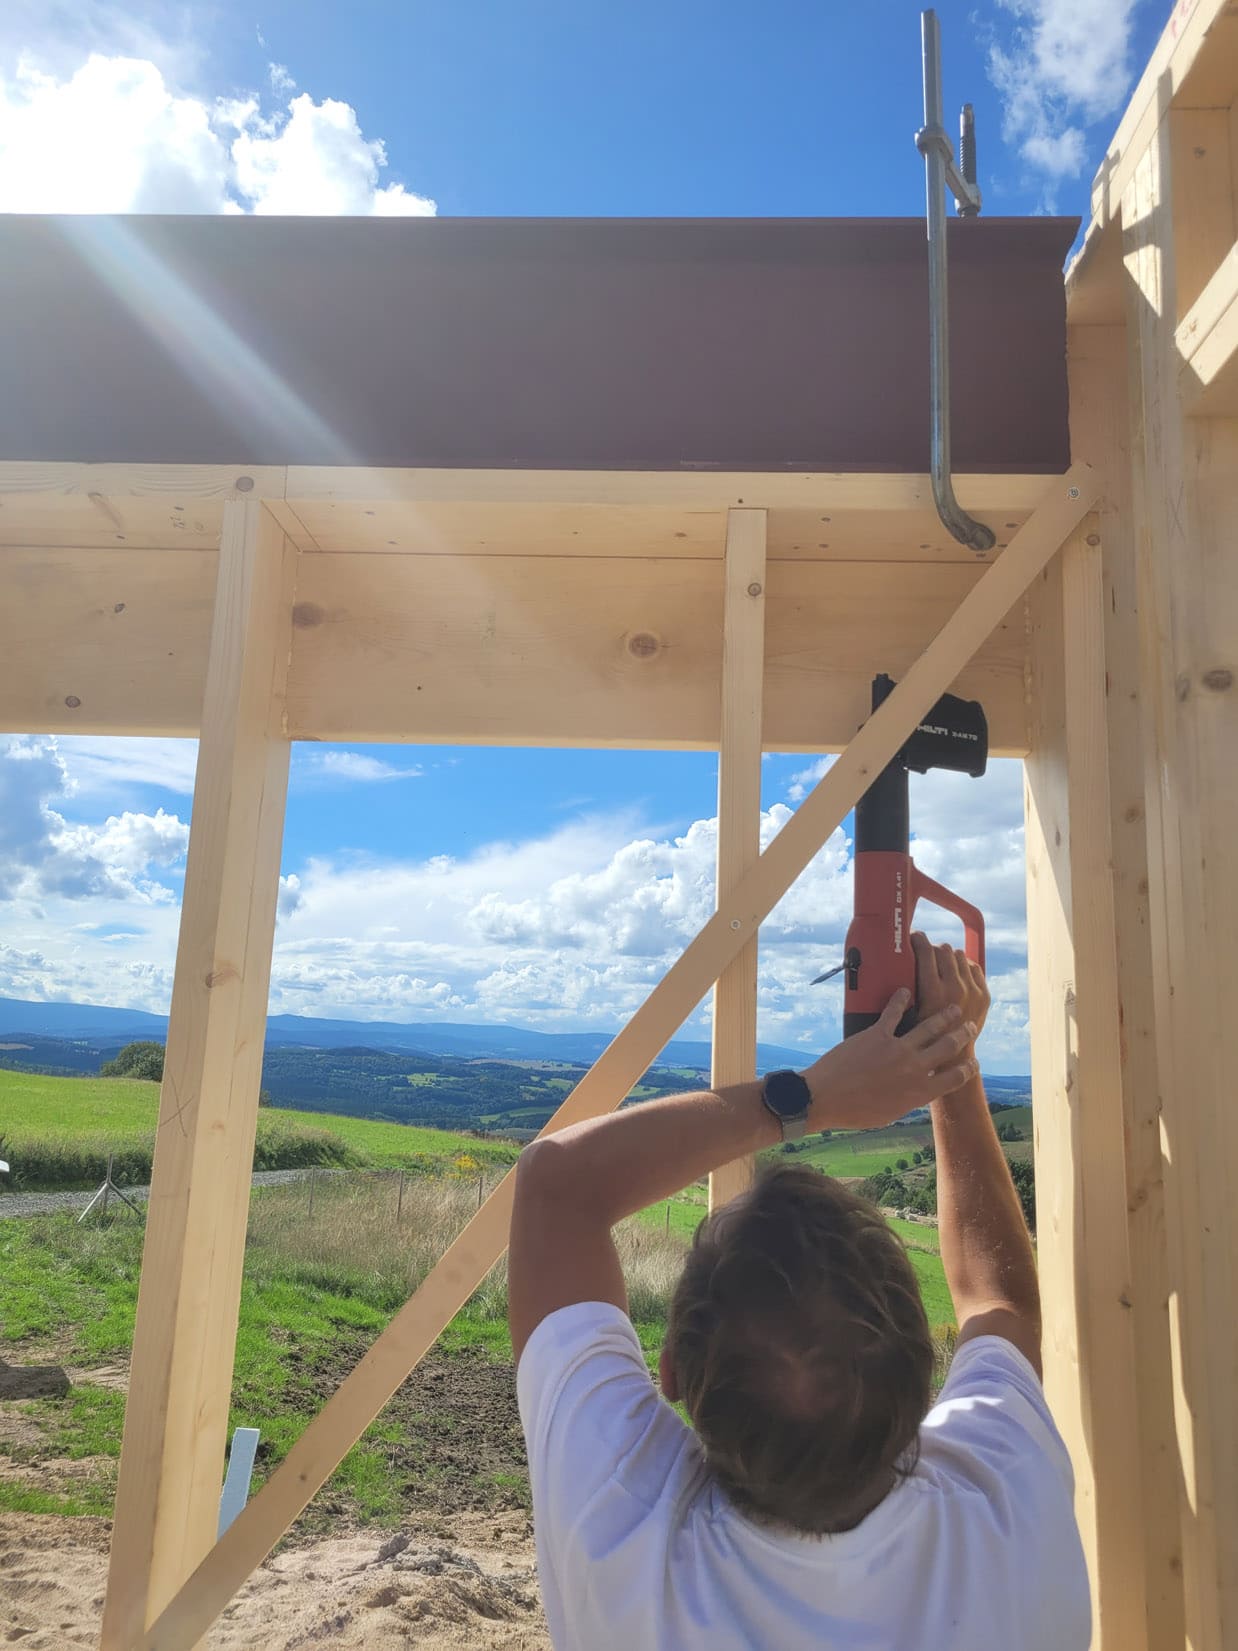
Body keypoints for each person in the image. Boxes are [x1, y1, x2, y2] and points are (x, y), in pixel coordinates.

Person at [508, 933, 1090, 1651]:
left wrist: (811, 1096)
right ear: (926, 1380)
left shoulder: (622, 1544)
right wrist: (950, 1056)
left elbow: (555, 1181)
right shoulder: (1009, 1521)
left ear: (672, 1375)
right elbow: (999, 1299)